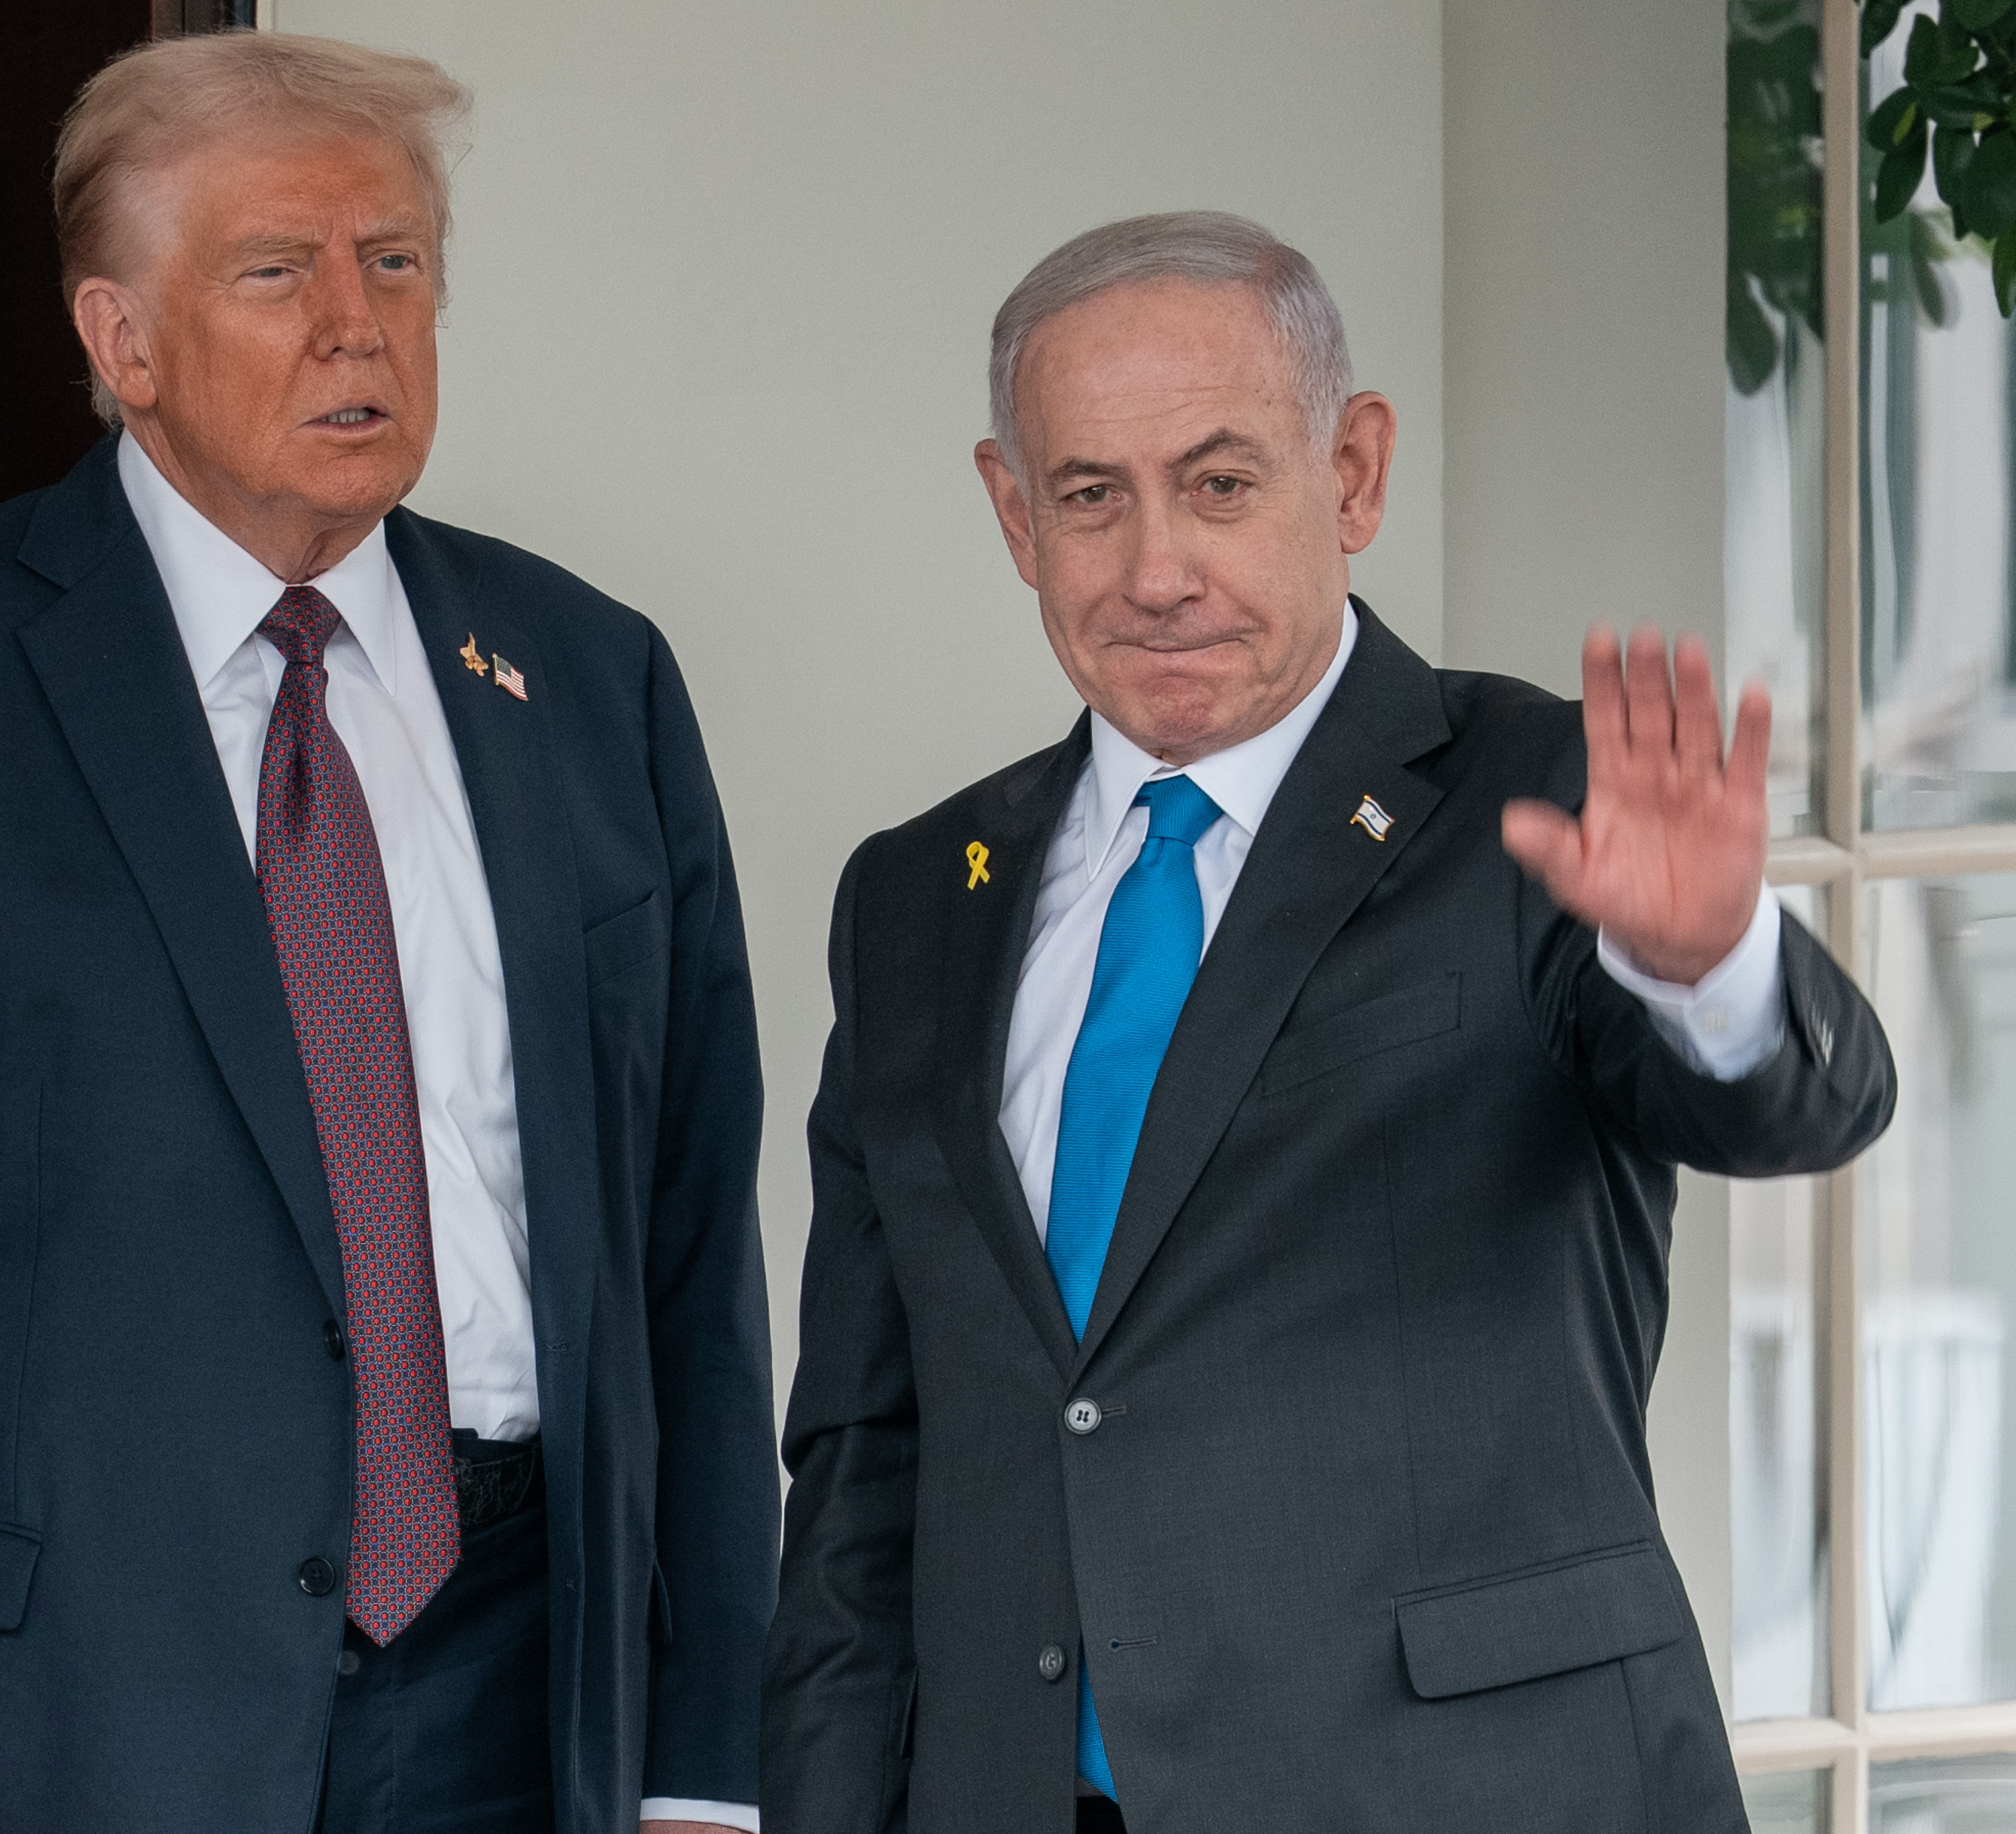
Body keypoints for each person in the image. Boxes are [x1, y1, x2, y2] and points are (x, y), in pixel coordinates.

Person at [0, 33, 773, 1834]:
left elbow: (691, 1260)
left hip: (523, 1693)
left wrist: (711, 1769)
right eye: (279, 270)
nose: (359, 323)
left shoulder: (588, 677)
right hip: (53, 1709)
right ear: (124, 341)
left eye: (396, 261)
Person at [760, 211, 1893, 1834]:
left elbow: (1799, 1101)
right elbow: (865, 1455)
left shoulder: (1534, 798)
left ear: (1350, 474)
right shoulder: (912, 898)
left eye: (1219, 485)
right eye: (1090, 497)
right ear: (1013, 514)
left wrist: (1706, 963)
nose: (1155, 572)